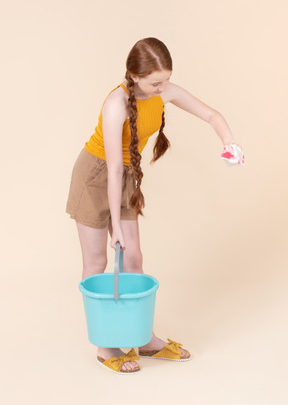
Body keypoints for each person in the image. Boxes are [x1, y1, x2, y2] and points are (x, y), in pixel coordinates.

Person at [65, 37, 245, 374]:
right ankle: (106, 346)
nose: (163, 87)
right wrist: (115, 226)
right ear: (134, 76)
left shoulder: (164, 91)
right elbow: (113, 168)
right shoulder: (116, 104)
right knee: (97, 260)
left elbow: (211, 114)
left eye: (166, 80)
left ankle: (144, 339)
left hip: (125, 175)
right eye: (155, 82)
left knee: (134, 257)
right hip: (95, 176)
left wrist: (229, 142)